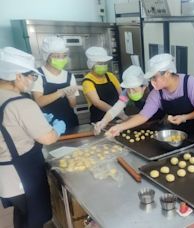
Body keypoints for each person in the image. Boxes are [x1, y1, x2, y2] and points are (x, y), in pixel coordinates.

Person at [0, 47, 66, 228]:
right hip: (22, 175)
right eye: (31, 76)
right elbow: (48, 138)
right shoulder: (21, 102)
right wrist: (56, 129)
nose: (31, 81)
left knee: (22, 214)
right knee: (34, 219)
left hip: (5, 175)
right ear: (18, 75)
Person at [107, 53, 194, 138]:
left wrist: (184, 117)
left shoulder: (190, 84)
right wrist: (120, 127)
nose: (152, 82)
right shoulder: (157, 93)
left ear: (167, 73)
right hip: (177, 135)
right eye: (151, 78)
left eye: (154, 78)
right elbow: (143, 116)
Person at [94, 65, 164, 134]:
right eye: (128, 89)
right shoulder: (127, 92)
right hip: (145, 120)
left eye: (134, 90)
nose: (131, 92)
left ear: (144, 87)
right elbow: (116, 108)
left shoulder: (155, 90)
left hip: (161, 121)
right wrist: (103, 121)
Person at [31, 37, 80, 130]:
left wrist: (71, 97)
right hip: (48, 124)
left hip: (69, 121)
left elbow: (73, 105)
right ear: (47, 56)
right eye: (57, 56)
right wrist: (60, 92)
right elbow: (39, 102)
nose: (61, 59)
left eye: (64, 55)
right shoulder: (38, 75)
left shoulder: (69, 76)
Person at [82, 47, 123, 122]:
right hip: (100, 120)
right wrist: (116, 112)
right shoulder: (87, 81)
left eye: (105, 63)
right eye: (100, 63)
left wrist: (122, 109)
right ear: (92, 64)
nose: (103, 65)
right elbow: (97, 102)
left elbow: (121, 94)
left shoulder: (110, 76)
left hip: (118, 117)